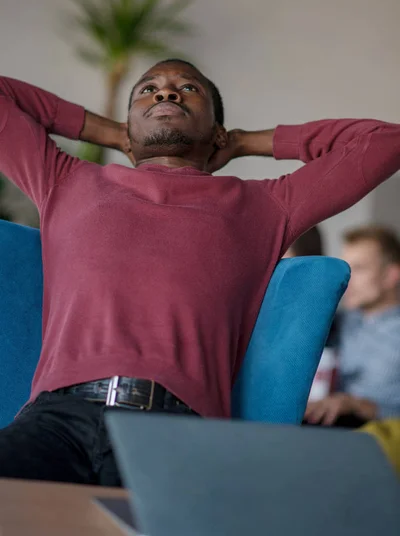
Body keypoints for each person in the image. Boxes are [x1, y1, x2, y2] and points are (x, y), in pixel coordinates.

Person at [1, 58, 400, 486]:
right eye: (147, 90)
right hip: (54, 421)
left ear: (217, 132)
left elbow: (385, 141)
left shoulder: (266, 205)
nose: (166, 93)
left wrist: (247, 141)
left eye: (188, 89)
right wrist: (107, 132)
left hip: (175, 429)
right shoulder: (65, 180)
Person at [305, 226, 400, 427]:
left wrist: (357, 406)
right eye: (347, 268)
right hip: (327, 426)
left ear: (391, 275)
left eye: (359, 268)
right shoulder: (339, 321)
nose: (347, 278)